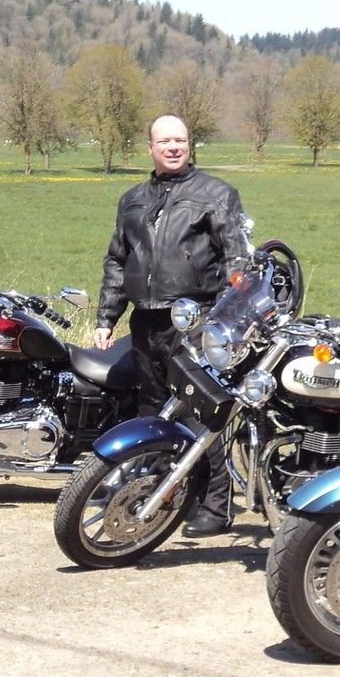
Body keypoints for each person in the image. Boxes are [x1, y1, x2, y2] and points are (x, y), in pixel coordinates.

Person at [94, 113, 248, 537]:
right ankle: (159, 493)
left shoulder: (216, 194)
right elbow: (117, 262)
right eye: (165, 141)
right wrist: (107, 317)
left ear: (190, 144)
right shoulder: (132, 200)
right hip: (146, 321)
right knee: (152, 410)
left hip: (196, 320)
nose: (173, 147)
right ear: (151, 148)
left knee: (202, 414)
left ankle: (216, 508)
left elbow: (238, 261)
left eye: (180, 140)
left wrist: (228, 322)